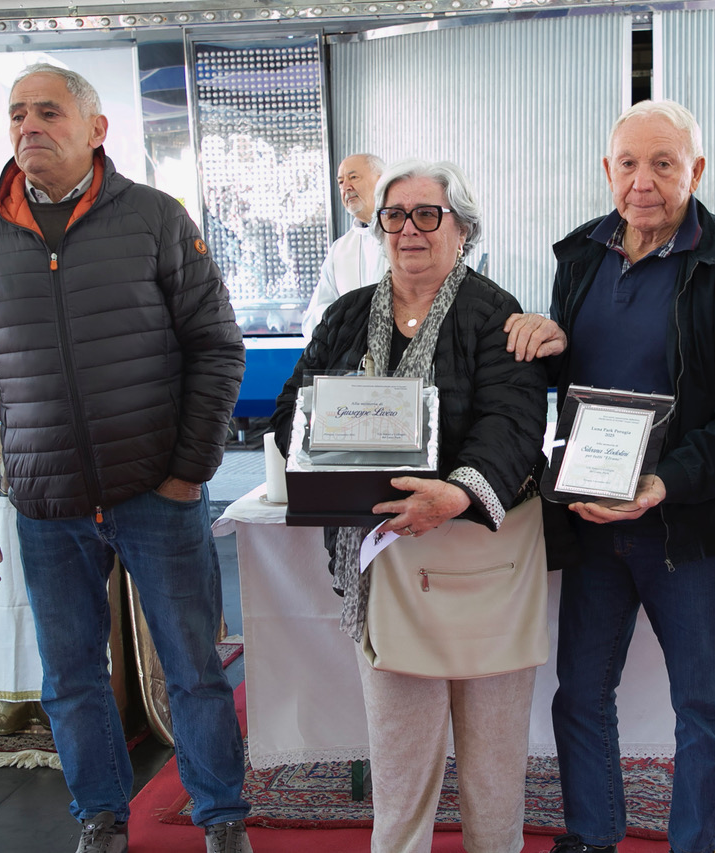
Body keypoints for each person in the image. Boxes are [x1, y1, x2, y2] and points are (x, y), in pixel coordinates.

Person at [0, 64, 253, 853]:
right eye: (17, 114)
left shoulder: (154, 219)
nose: (29, 127)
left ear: (96, 128)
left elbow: (216, 346)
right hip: (48, 503)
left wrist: (188, 470)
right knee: (70, 676)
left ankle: (222, 818)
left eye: (49, 112)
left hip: (158, 491)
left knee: (194, 669)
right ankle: (102, 815)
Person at [506, 100, 715, 853]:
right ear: (607, 171)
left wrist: (666, 482)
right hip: (593, 522)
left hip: (683, 527)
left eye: (664, 163)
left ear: (696, 169)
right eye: (628, 163)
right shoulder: (581, 256)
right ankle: (594, 835)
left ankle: (693, 844)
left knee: (701, 704)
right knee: (581, 696)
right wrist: (545, 342)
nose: (644, 181)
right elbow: (579, 374)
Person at [271, 159, 548, 853]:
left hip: (484, 570)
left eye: (429, 214)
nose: (409, 229)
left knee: (491, 773)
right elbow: (289, 414)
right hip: (385, 572)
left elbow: (514, 425)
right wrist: (326, 449)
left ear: (464, 228)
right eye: (395, 215)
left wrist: (455, 493)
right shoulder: (343, 317)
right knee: (399, 777)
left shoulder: (496, 314)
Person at [301, 153, 388, 335]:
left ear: (382, 181)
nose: (346, 187)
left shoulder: (408, 235)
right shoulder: (340, 250)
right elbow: (312, 319)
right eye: (340, 182)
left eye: (353, 177)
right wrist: (343, 318)